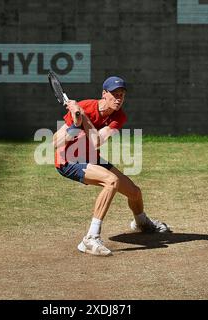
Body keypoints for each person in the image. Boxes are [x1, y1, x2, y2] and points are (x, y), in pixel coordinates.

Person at [53, 76, 171, 256]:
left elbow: (96, 141)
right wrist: (75, 123)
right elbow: (55, 142)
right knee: (111, 181)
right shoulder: (85, 106)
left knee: (135, 192)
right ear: (104, 94)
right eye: (114, 94)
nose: (118, 98)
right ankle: (90, 238)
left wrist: (82, 117)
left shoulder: (119, 116)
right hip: (68, 160)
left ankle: (141, 222)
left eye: (122, 95)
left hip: (90, 156)